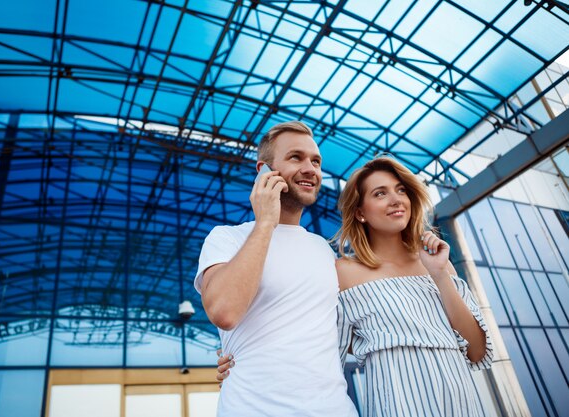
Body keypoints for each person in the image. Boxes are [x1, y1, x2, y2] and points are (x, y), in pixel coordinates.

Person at [218, 156, 494, 416]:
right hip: (397, 404)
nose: (396, 199)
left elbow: (477, 350)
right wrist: (240, 358)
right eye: (380, 193)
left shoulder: (438, 262)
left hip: (462, 400)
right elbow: (309, 339)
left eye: (400, 190)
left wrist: (440, 275)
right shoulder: (344, 272)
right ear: (360, 213)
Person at [194, 121, 358, 416]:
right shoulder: (227, 238)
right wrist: (266, 221)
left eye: (316, 161)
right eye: (296, 157)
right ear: (264, 171)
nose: (311, 168)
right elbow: (225, 311)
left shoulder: (324, 250)